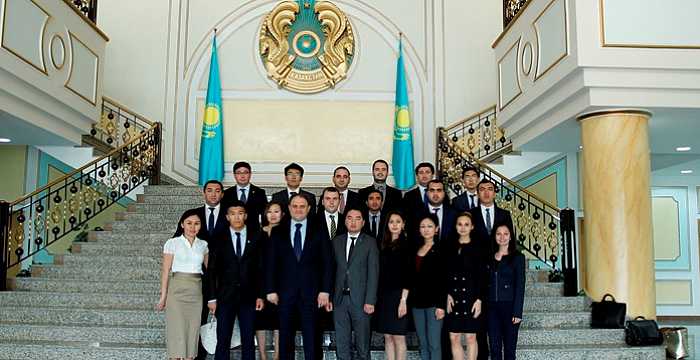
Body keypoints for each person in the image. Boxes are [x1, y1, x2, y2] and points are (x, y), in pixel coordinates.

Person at [265, 194, 332, 360]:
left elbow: (328, 263)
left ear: (309, 209)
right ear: (288, 208)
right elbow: (271, 263)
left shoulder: (319, 230)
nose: (298, 209)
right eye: (295, 206)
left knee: (312, 339)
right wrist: (270, 289)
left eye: (302, 206)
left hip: (312, 294)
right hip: (285, 294)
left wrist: (325, 291)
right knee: (286, 339)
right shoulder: (278, 231)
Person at [174, 180, 227, 360]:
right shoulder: (193, 215)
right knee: (195, 320)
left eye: (217, 191)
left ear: (222, 194)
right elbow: (177, 240)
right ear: (203, 193)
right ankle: (196, 356)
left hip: (223, 277)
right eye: (210, 191)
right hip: (195, 278)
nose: (213, 194)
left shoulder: (230, 214)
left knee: (222, 320)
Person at [206, 201, 265, 360]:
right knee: (223, 338)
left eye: (240, 213)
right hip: (225, 297)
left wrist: (260, 295)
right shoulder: (218, 238)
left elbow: (260, 268)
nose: (236, 216)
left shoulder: (257, 235)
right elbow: (212, 270)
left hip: (249, 296)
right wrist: (211, 298)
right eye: (232, 213)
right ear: (227, 217)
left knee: (248, 339)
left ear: (245, 215)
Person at [157, 209, 209, 360]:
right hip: (177, 290)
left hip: (196, 291)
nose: (193, 227)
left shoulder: (203, 245)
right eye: (189, 223)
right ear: (182, 225)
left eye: (197, 224)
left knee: (192, 331)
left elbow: (210, 272)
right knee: (177, 331)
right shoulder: (172, 243)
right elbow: (166, 270)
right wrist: (163, 296)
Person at [329, 208, 379, 360]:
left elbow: (373, 273)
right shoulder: (336, 242)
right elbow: (331, 272)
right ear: (345, 221)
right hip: (339, 300)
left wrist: (370, 300)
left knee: (362, 345)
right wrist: (330, 297)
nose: (353, 221)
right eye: (350, 218)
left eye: (357, 218)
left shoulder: (370, 242)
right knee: (342, 344)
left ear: (363, 222)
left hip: (361, 300)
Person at [445, 213, 486, 360]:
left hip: (471, 297)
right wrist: (447, 294)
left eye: (466, 224)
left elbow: (482, 276)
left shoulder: (478, 248)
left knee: (470, 338)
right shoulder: (449, 247)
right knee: (454, 337)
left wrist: (479, 299)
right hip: (453, 298)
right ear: (456, 226)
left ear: (472, 227)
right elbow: (444, 273)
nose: (463, 228)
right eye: (460, 224)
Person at [374, 210, 413, 360]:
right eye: (391, 222)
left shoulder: (407, 245)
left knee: (398, 337)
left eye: (398, 221)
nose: (395, 225)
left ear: (403, 224)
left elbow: (409, 276)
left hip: (400, 296)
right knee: (388, 337)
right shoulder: (383, 245)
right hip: (384, 296)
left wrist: (403, 300)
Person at [410, 214, 446, 360]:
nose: (426, 230)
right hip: (416, 303)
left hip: (434, 303)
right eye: (423, 226)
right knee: (423, 343)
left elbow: (444, 279)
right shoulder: (415, 249)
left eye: (429, 226)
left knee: (434, 344)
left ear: (436, 229)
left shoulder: (441, 250)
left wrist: (441, 305)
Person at [487, 224, 525, 360]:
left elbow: (520, 286)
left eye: (506, 234)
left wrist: (517, 311)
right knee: (495, 349)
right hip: (491, 309)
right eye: (498, 234)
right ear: (494, 236)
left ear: (510, 237)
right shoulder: (489, 257)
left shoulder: (518, 258)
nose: (502, 237)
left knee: (509, 350)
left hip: (510, 309)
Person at [256, 202, 284, 360]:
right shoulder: (258, 233)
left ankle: (278, 355)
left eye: (276, 211)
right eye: (270, 212)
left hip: (280, 282)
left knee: (278, 321)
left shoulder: (286, 233)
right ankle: (262, 355)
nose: (273, 215)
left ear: (282, 214)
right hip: (260, 282)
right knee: (260, 320)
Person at [468, 179, 514, 255]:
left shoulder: (504, 214)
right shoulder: (470, 214)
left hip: (500, 258)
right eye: (482, 189)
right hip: (476, 258)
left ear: (494, 194)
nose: (486, 193)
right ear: (478, 194)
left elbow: (510, 237)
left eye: (490, 189)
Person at [223, 162, 268, 230]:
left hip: (254, 231)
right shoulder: (227, 193)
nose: (242, 176)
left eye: (245, 172)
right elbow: (224, 214)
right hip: (232, 231)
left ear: (250, 174)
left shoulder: (259, 192)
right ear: (234, 175)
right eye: (238, 173)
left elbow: (264, 214)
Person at [421, 180, 457, 244]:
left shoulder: (454, 214)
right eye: (432, 190)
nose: (435, 194)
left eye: (439, 190)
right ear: (427, 193)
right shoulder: (417, 213)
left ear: (444, 193)